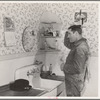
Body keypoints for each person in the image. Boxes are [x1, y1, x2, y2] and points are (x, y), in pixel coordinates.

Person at [60, 25, 90, 96]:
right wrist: (67, 31)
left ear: (76, 33)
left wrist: (63, 67)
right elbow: (67, 43)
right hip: (73, 80)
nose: (68, 36)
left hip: (74, 81)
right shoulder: (77, 44)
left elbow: (77, 68)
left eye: (69, 34)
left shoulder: (80, 47)